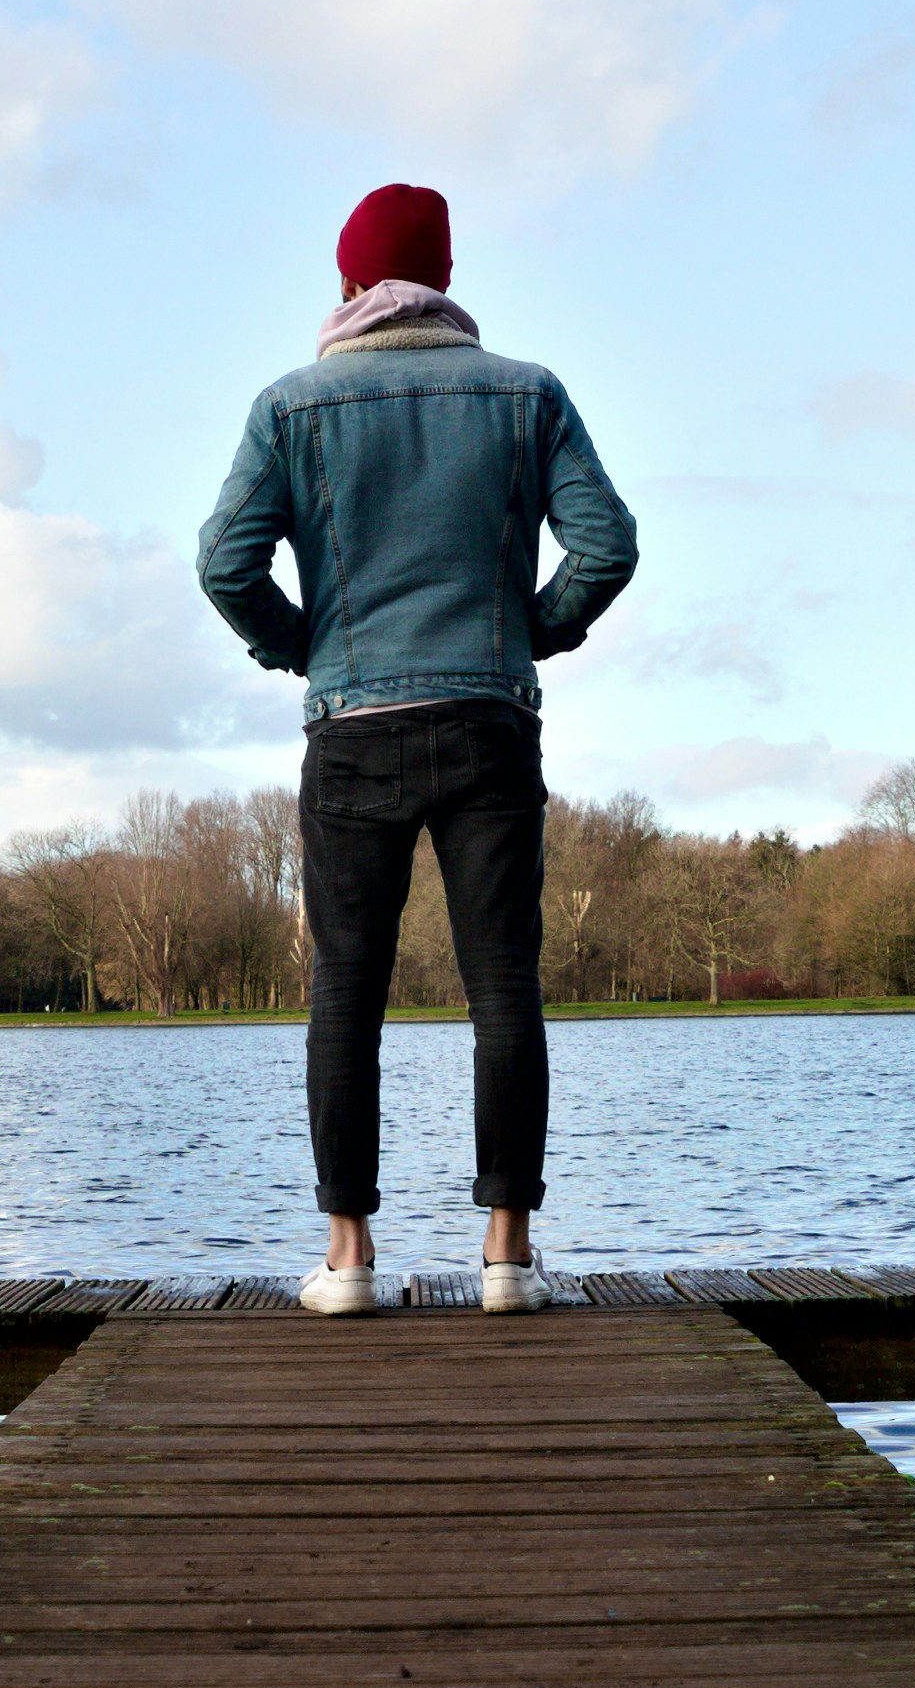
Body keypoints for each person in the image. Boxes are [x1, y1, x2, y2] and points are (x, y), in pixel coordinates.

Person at [192, 181, 640, 1315]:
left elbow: (224, 567)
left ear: (349, 283)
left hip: (353, 731)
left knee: (346, 989)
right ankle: (505, 1254)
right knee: (503, 985)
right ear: (442, 280)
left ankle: (347, 1260)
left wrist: (303, 646)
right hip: (490, 719)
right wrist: (526, 630)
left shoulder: (290, 406)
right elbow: (607, 545)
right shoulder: (527, 393)